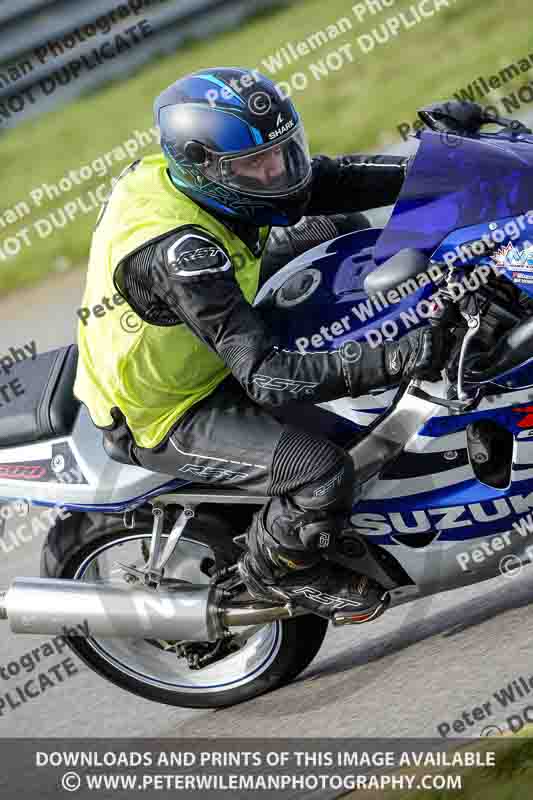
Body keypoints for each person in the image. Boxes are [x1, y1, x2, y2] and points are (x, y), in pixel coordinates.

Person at [74, 68, 449, 622]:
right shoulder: (179, 253)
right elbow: (267, 376)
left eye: (280, 152)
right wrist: (396, 358)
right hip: (167, 409)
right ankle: (275, 571)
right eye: (256, 164)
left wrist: (444, 167)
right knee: (321, 471)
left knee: (336, 226)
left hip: (210, 322)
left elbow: (323, 181)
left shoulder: (203, 176)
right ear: (205, 167)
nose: (276, 171)